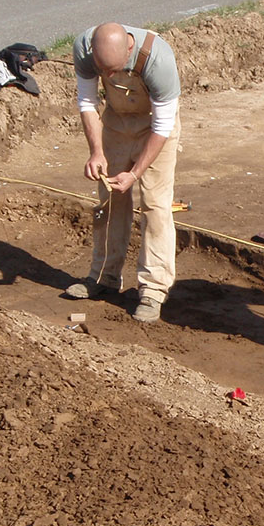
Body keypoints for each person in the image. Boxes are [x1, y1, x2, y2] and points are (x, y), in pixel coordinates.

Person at [67, 22, 182, 323]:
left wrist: (135, 172)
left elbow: (162, 125)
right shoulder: (84, 48)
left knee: (155, 204)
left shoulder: (158, 60)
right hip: (116, 123)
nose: (107, 76)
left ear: (129, 50)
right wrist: (96, 152)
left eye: (114, 70)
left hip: (154, 128)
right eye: (102, 69)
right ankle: (103, 276)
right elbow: (88, 101)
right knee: (109, 199)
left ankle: (154, 289)